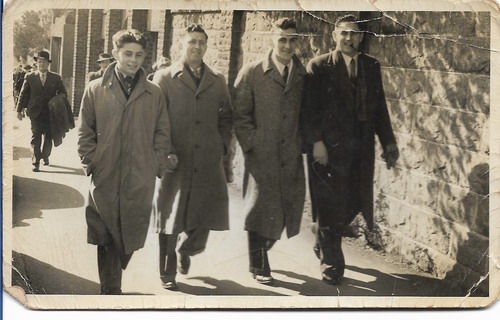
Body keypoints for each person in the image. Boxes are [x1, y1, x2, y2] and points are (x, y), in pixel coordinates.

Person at [78, 29, 177, 295]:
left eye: (139, 55)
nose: (133, 60)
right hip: (106, 173)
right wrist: (92, 161)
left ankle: (113, 280)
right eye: (128, 54)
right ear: (115, 54)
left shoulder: (154, 93)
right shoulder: (96, 89)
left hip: (139, 176)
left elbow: (162, 132)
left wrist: (155, 164)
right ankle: (110, 293)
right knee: (106, 232)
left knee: (129, 236)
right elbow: (85, 130)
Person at [302, 14, 399, 285]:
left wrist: (388, 142)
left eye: (354, 34)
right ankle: (332, 265)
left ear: (361, 38)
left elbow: (380, 109)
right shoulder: (319, 66)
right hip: (327, 151)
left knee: (355, 202)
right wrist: (317, 143)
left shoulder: (370, 66)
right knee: (329, 207)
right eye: (344, 33)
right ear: (334, 36)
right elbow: (309, 111)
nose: (349, 38)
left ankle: (323, 236)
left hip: (360, 151)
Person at [151, 24, 232, 290]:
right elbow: (155, 120)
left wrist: (220, 145)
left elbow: (226, 116)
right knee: (169, 216)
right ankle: (167, 272)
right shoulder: (164, 78)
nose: (197, 47)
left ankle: (188, 250)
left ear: (207, 47)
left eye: (202, 43)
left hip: (207, 160)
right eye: (192, 42)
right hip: (175, 158)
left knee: (205, 213)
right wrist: (165, 151)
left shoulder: (217, 79)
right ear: (181, 45)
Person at [233, 18, 306, 285]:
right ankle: (259, 263)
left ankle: (261, 252)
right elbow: (240, 115)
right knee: (260, 209)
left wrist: (302, 143)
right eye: (282, 39)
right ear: (272, 40)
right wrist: (252, 143)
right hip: (261, 154)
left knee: (288, 208)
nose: (287, 45)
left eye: (292, 40)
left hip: (290, 155)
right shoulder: (252, 72)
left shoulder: (301, 74)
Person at [16, 51, 67, 172]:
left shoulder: (56, 77)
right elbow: (23, 94)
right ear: (36, 63)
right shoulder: (30, 77)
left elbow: (63, 93)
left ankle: (45, 155)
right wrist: (19, 110)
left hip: (50, 113)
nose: (41, 64)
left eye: (44, 62)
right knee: (36, 136)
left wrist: (56, 100)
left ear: (48, 64)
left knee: (48, 137)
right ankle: (36, 161)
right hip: (35, 112)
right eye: (39, 62)